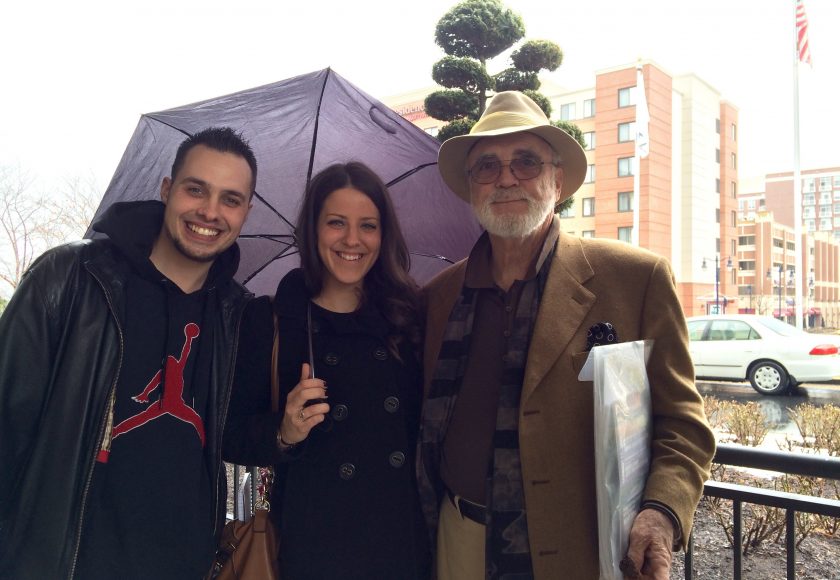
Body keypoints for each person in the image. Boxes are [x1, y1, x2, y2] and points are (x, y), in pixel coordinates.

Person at [416, 91, 716, 580]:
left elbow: (683, 425)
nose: (506, 178)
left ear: (557, 181)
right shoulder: (438, 298)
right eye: (487, 166)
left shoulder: (634, 280)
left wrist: (662, 512)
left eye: (526, 162)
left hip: (577, 549)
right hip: (458, 537)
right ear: (471, 188)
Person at [0, 127, 257, 579]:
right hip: (68, 562)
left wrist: (283, 435)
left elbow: (228, 433)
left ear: (245, 212)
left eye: (230, 199)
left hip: (184, 565)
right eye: (196, 189)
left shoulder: (237, 315)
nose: (210, 212)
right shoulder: (69, 280)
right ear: (166, 190)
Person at [223, 162, 430, 579]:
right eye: (336, 223)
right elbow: (232, 435)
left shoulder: (409, 317)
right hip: (313, 543)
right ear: (313, 230)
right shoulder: (273, 320)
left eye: (368, 226)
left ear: (383, 234)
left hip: (401, 543)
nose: (352, 240)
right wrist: (284, 432)